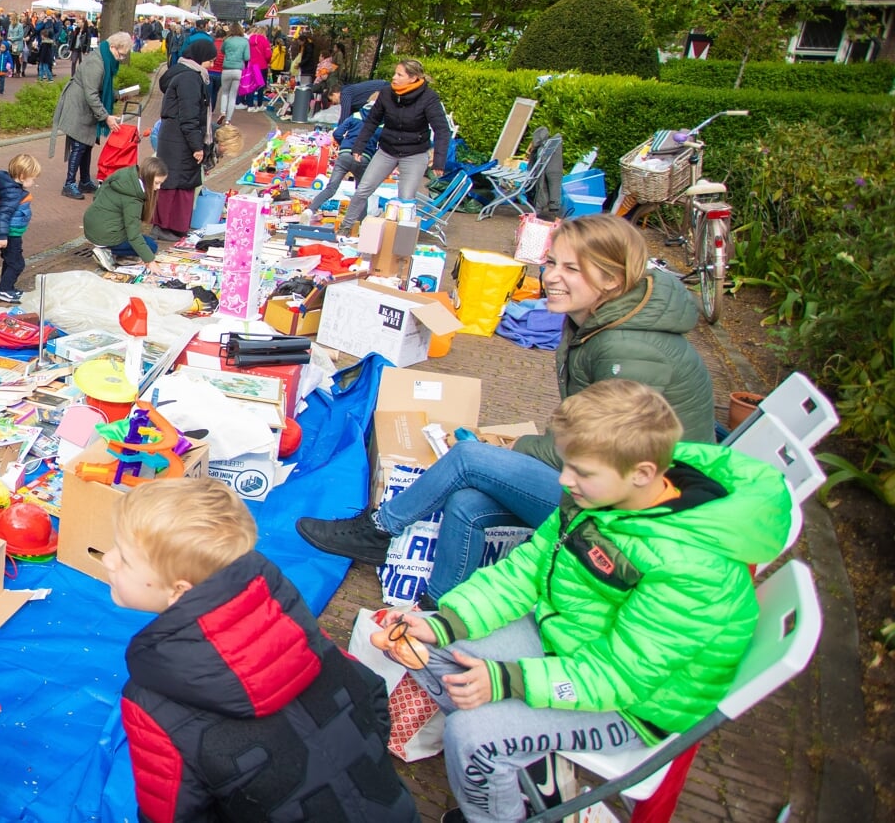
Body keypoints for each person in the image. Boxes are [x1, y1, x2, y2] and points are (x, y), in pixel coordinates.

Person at [384, 380, 788, 823]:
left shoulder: (694, 569)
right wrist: (447, 623)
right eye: (567, 464)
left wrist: (507, 681)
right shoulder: (607, 492)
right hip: (574, 639)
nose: (563, 480)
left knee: (471, 734)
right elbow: (527, 570)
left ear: (643, 473)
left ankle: (498, 801)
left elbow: (625, 675)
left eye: (581, 472)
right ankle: (521, 756)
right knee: (430, 645)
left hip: (634, 704)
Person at [298, 215, 717, 597]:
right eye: (550, 263)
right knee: (466, 505)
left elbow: (605, 448)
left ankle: (379, 530)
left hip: (638, 512)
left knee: (468, 459)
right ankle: (441, 611)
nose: (551, 277)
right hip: (615, 485)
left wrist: (505, 447)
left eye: (571, 268)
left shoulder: (627, 345)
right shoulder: (604, 318)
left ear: (611, 279)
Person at [107, 479, 415, 823]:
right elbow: (371, 687)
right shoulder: (293, 624)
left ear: (179, 591)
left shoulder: (150, 701)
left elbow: (171, 815)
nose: (108, 559)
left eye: (124, 558)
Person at [337, 59, 449, 234]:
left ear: (413, 78)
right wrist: (358, 147)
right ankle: (345, 228)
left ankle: (398, 242)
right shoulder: (387, 93)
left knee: (406, 200)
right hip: (387, 149)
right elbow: (372, 120)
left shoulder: (429, 97)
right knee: (363, 189)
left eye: (399, 75)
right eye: (395, 73)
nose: (394, 78)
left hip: (415, 152)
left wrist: (439, 161)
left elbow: (442, 129)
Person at [152, 34, 213, 238]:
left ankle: (168, 225)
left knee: (176, 182)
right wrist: (197, 146)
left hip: (174, 137)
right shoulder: (190, 79)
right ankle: (166, 226)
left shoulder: (185, 74)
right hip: (180, 139)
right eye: (210, 60)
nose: (212, 65)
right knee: (176, 183)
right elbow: (189, 115)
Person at [52, 29, 123, 200]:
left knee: (87, 143)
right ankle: (69, 184)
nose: (121, 58)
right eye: (121, 54)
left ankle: (84, 180)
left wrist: (117, 94)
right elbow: (91, 94)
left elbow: (99, 89)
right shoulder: (97, 63)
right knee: (79, 143)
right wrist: (106, 116)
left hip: (86, 105)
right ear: (113, 47)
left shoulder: (104, 59)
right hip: (79, 105)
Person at [302, 99, 381, 221]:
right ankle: (360, 223)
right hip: (364, 158)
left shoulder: (355, 115)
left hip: (344, 155)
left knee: (331, 188)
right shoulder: (380, 123)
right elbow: (382, 145)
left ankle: (310, 210)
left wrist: (343, 145)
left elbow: (338, 132)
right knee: (361, 193)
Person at [85, 156, 165, 270]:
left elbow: (98, 193)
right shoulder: (133, 199)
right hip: (104, 234)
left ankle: (115, 252)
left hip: (91, 224)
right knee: (151, 246)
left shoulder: (125, 173)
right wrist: (150, 260)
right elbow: (134, 236)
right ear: (148, 177)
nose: (158, 187)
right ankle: (107, 251)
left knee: (142, 241)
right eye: (157, 183)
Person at [0, 154, 39, 304]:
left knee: (10, 261)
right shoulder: (12, 194)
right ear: (23, 176)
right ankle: (4, 289)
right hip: (10, 235)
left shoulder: (10, 188)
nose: (34, 180)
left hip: (11, 234)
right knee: (17, 264)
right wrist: (4, 236)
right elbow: (4, 215)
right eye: (33, 178)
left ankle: (7, 287)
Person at [219, 22, 250, 123]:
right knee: (233, 96)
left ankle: (222, 112)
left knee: (224, 93)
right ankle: (228, 119)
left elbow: (222, 51)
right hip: (238, 69)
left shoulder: (227, 40)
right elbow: (247, 57)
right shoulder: (245, 42)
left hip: (227, 68)